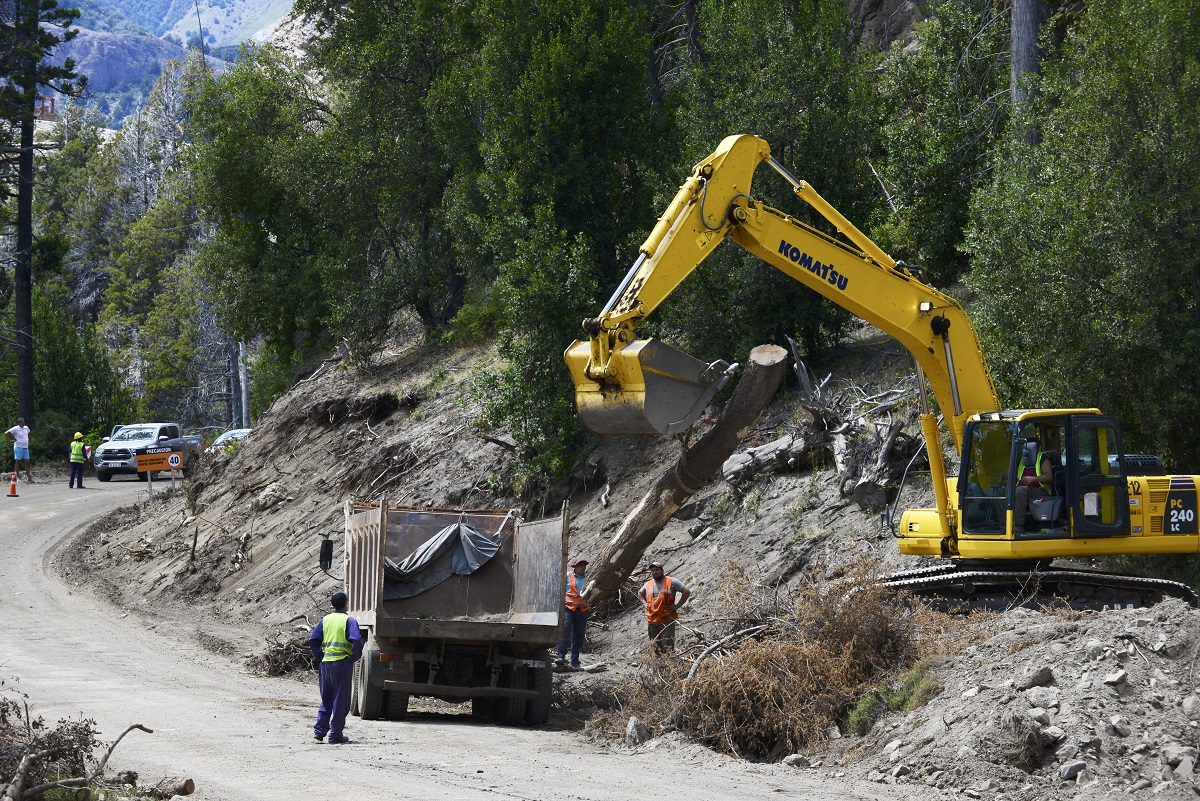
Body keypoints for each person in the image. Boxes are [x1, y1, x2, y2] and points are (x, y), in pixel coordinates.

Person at [307, 591, 363, 744]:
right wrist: (353, 657)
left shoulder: (325, 620)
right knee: (340, 700)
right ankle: (335, 735)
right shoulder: (349, 621)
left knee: (326, 698)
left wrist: (320, 657)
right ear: (346, 603)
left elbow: (313, 640)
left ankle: (319, 732)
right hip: (341, 664)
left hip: (326, 664)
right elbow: (357, 641)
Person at [638, 561, 690, 650]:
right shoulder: (648, 583)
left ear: (662, 570)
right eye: (653, 570)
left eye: (657, 570)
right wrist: (644, 603)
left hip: (667, 620)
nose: (655, 572)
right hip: (652, 620)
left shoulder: (671, 581)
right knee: (656, 647)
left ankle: (669, 663)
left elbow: (686, 591)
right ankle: (659, 664)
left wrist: (677, 606)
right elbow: (640, 593)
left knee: (667, 647)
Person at [1014, 444, 1054, 534]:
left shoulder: (1042, 458)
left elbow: (1049, 476)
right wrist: (1005, 478)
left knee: (1020, 491)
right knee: (1001, 491)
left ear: (1037, 447)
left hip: (1040, 491)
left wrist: (1033, 478)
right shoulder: (1022, 459)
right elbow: (1016, 476)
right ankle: (1003, 523)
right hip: (1023, 489)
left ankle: (1018, 525)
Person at [557, 557, 589, 670]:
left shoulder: (589, 578)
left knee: (579, 635)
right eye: (580, 565)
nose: (582, 567)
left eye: (584, 565)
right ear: (575, 567)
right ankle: (561, 656)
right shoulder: (567, 575)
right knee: (564, 632)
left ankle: (575, 660)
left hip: (582, 610)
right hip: (568, 608)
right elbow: (559, 589)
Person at [4, 417, 32, 482]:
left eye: (24, 421)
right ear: (19, 423)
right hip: (18, 446)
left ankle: (28, 477)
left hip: (25, 447)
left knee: (27, 461)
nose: (23, 423)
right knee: (18, 461)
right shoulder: (16, 428)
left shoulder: (26, 428)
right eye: (22, 422)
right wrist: (14, 439)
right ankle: (17, 477)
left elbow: (29, 433)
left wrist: (27, 440)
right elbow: (7, 433)